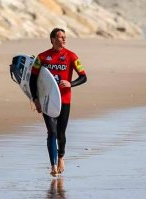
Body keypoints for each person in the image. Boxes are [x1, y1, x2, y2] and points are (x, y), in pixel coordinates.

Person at [29, 28, 87, 177]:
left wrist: (71, 83)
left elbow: (83, 76)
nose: (64, 39)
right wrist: (35, 99)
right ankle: (53, 165)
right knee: (51, 132)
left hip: (64, 101)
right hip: (46, 100)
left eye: (65, 37)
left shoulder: (71, 56)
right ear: (52, 39)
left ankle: (61, 157)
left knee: (61, 134)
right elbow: (33, 79)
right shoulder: (42, 57)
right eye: (60, 37)